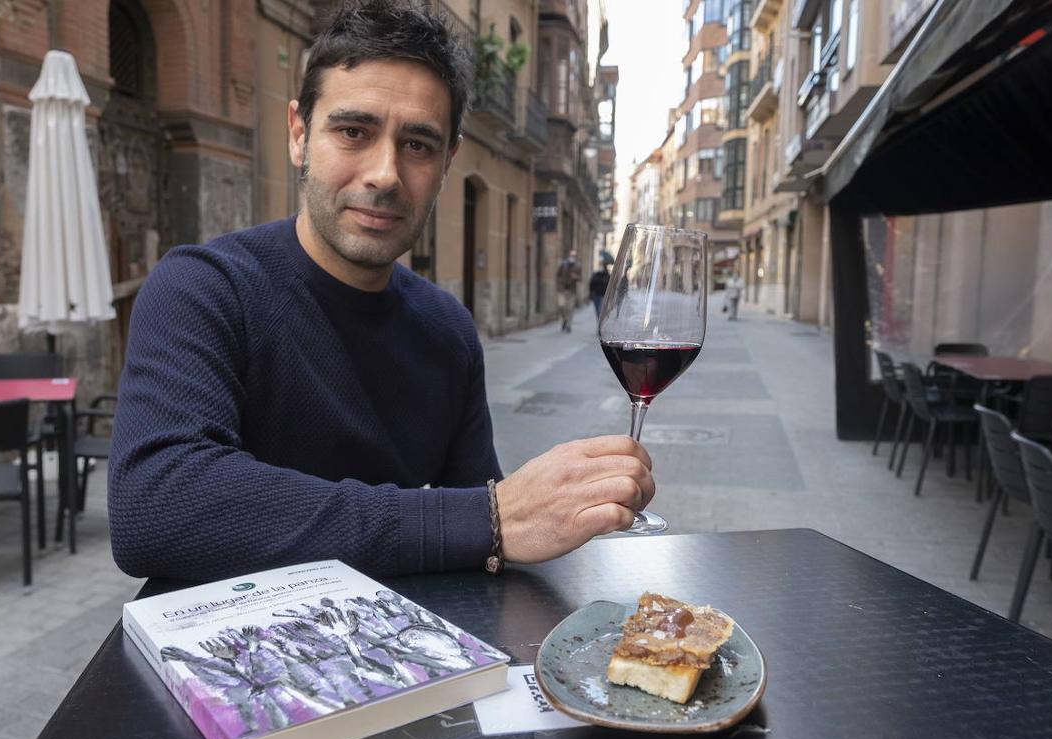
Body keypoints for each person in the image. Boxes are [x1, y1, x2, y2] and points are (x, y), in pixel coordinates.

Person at [107, 0, 654, 584]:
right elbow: (153, 510)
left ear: (447, 162)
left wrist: (524, 517)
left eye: (417, 145)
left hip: (404, 661)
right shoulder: (205, 288)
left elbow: (481, 535)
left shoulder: (447, 329)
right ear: (299, 134)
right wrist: (489, 518)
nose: (385, 174)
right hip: (221, 663)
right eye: (353, 131)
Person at [556, 250, 582, 332]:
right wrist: (559, 283)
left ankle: (569, 325)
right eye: (571, 255)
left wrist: (576, 277)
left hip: (571, 290)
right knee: (561, 306)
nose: (572, 257)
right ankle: (564, 320)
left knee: (570, 308)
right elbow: (558, 275)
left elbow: (581, 278)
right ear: (569, 255)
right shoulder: (563, 264)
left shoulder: (578, 266)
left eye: (574, 256)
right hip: (562, 289)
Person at [588, 254, 611, 320]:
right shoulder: (595, 274)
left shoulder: (607, 275)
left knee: (602, 310)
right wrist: (590, 294)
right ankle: (599, 321)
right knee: (597, 310)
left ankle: (600, 322)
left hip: (604, 295)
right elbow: (591, 284)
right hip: (596, 295)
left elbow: (608, 285)